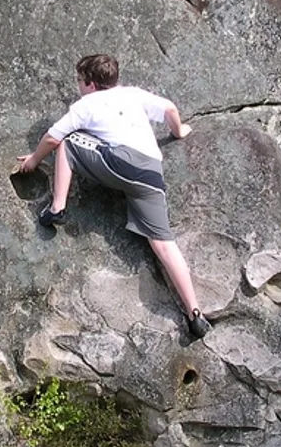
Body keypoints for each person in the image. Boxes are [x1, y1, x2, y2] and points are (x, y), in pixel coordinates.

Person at [16, 54, 212, 340]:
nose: (79, 87)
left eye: (81, 81)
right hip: (150, 174)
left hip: (120, 163)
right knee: (165, 246)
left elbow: (52, 137)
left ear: (91, 84)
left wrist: (34, 159)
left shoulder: (87, 104)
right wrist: (179, 131)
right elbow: (169, 108)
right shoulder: (132, 95)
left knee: (69, 142)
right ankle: (196, 313)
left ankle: (57, 207)